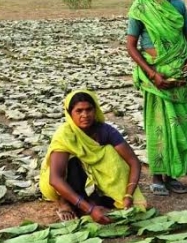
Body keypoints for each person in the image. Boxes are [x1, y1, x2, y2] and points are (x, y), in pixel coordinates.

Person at [126, 0, 187, 196]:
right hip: (155, 76)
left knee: (181, 125)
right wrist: (152, 73)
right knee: (158, 127)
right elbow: (131, 46)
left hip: (179, 76)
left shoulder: (178, 5)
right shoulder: (141, 7)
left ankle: (173, 175)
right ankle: (157, 175)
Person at [40, 89, 146, 223]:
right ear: (70, 113)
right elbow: (55, 179)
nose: (85, 115)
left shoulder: (105, 130)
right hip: (67, 180)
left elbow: (133, 162)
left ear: (95, 110)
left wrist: (129, 194)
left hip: (93, 178)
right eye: (79, 111)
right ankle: (65, 201)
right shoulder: (64, 135)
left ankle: (94, 199)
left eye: (89, 109)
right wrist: (90, 209)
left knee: (110, 152)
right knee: (72, 160)